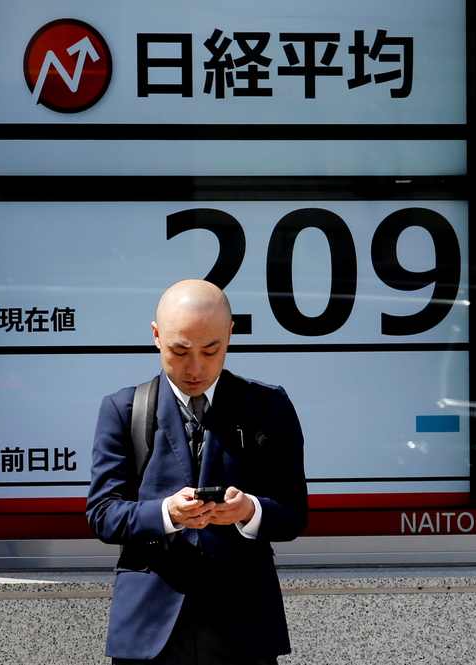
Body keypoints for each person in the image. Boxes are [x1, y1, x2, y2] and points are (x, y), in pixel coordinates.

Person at [86, 280, 307, 664]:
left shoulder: (268, 406)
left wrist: (249, 511)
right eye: (179, 350)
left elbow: (293, 513)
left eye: (211, 350)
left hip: (243, 627)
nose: (195, 367)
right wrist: (166, 513)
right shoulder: (125, 409)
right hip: (149, 628)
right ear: (156, 336)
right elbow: (102, 514)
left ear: (230, 335)